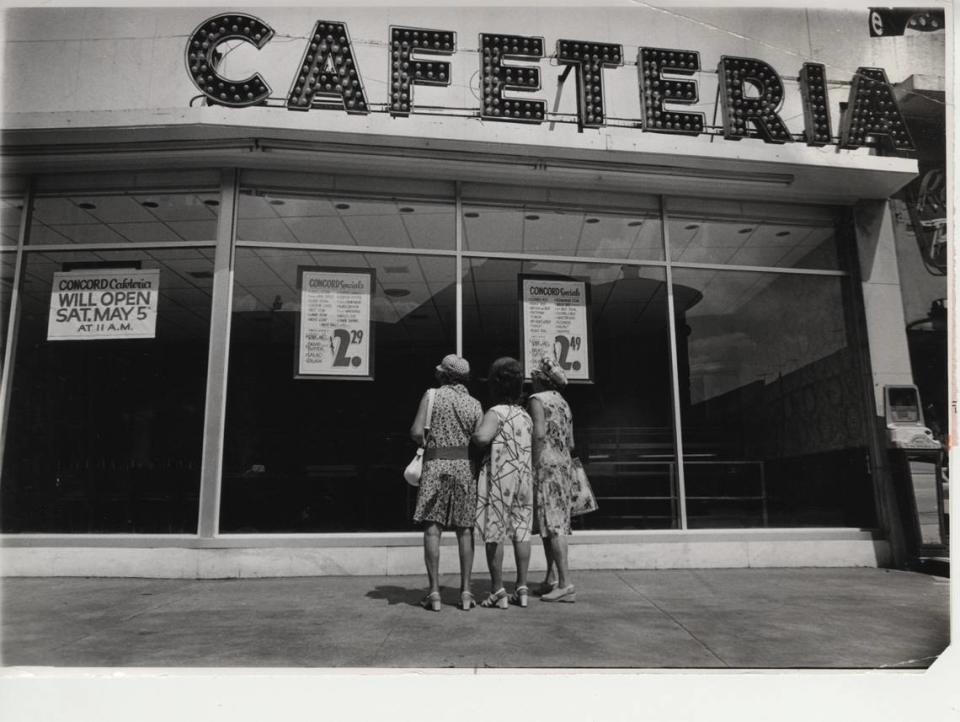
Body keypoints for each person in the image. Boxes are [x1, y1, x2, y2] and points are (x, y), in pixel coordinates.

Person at [410, 354, 483, 612]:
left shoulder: (431, 396)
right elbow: (479, 438)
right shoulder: (474, 403)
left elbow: (417, 431)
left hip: (435, 465)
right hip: (464, 467)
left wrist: (427, 444)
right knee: (465, 530)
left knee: (433, 529)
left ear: (444, 374)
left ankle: (434, 593)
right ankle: (465, 591)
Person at [472, 357, 534, 610]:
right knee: (522, 530)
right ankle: (521, 586)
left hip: (500, 476)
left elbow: (482, 438)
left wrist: (474, 432)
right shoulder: (525, 415)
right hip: (524, 476)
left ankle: (498, 589)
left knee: (494, 530)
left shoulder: (495, 413)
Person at [528, 355, 577, 603]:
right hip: (564, 465)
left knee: (554, 527)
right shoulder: (564, 403)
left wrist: (532, 463)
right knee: (551, 526)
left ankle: (566, 583)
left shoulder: (537, 400)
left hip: (546, 466)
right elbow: (571, 441)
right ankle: (551, 578)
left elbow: (538, 435)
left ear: (539, 380)